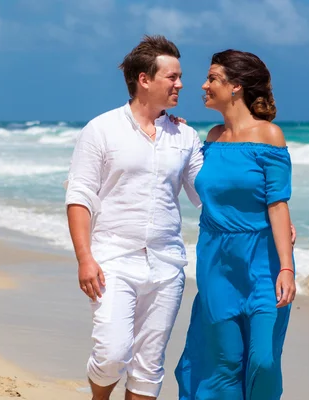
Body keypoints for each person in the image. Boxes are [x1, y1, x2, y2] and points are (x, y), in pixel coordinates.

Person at [65, 35, 203, 400]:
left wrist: (269, 216)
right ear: (145, 79)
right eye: (172, 77)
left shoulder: (185, 135)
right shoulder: (101, 129)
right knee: (112, 354)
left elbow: (207, 193)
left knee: (148, 365)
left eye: (180, 76)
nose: (181, 84)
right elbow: (80, 196)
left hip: (166, 263)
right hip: (113, 259)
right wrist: (84, 258)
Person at [175, 49, 297, 399]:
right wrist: (173, 129)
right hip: (217, 260)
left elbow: (278, 203)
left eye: (212, 78)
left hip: (262, 260)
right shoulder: (210, 139)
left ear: (236, 87)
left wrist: (286, 267)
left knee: (264, 360)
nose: (204, 85)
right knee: (225, 361)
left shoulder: (269, 135)